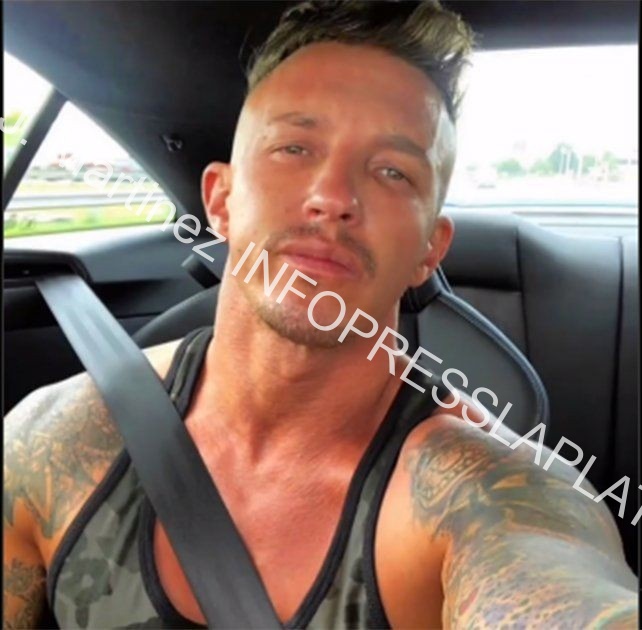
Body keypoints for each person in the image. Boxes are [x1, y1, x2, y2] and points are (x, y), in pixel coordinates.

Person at [3, 1, 638, 628]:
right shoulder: (57, 442)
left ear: (430, 249)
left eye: (392, 172)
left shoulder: (489, 496)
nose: (333, 198)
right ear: (220, 201)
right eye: (294, 148)